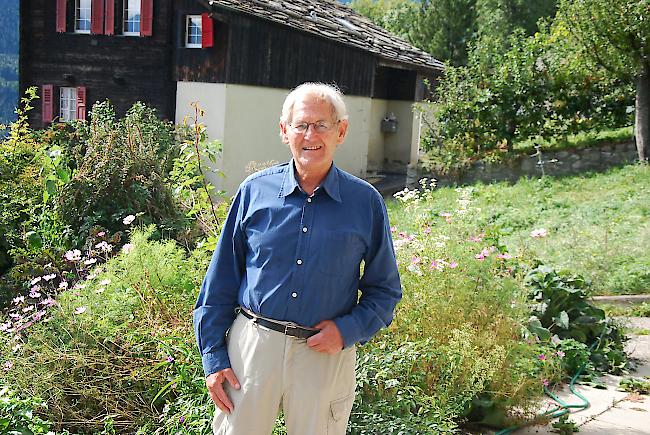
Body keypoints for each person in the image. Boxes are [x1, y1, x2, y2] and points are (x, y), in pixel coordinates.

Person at [193, 82, 401, 435]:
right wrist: (213, 358)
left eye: (322, 124)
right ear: (284, 130)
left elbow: (385, 291)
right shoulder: (254, 193)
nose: (311, 135)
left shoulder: (365, 203)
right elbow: (220, 281)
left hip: (323, 356)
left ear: (342, 131)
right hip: (252, 349)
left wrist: (348, 330)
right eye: (301, 124)